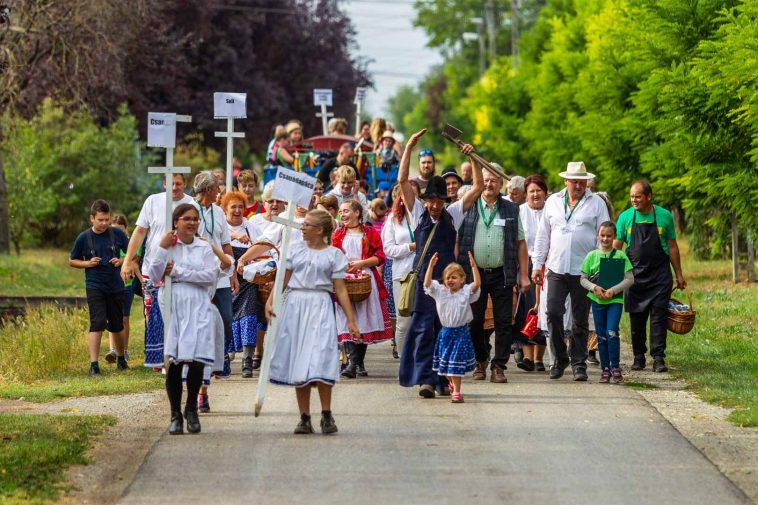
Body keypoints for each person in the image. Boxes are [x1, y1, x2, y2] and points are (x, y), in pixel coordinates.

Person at [397, 128, 484, 398]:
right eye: (431, 201)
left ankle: (445, 381)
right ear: (425, 200)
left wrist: (474, 159)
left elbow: (478, 188)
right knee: (423, 330)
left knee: (445, 330)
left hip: (451, 284)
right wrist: (409, 147)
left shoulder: (453, 213)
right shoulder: (417, 213)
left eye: (438, 201)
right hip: (426, 281)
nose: (434, 206)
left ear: (445, 200)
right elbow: (402, 182)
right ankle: (425, 380)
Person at [266, 209, 359, 434]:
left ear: (319, 230)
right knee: (300, 358)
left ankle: (326, 414)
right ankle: (304, 416)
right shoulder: (294, 250)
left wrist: (351, 320)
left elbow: (341, 289)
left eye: (307, 225)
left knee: (321, 357)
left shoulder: (333, 255)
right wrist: (270, 301)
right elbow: (283, 281)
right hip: (296, 305)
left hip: (320, 305)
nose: (302, 227)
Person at [145, 203, 231, 435]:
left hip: (199, 302)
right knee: (174, 359)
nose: (192, 222)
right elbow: (154, 275)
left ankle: (191, 408)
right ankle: (175, 414)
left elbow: (208, 275)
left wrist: (179, 272)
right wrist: (162, 251)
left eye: (195, 219)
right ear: (176, 221)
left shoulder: (202, 247)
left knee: (196, 358)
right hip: (173, 302)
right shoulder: (166, 245)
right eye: (187, 219)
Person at [532, 162, 610, 381]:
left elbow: (605, 236)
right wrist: (537, 265)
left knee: (580, 319)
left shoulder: (596, 203)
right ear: (565, 181)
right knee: (553, 313)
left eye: (582, 181)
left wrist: (604, 271)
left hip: (584, 270)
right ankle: (559, 359)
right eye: (574, 181)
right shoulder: (553, 202)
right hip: (556, 267)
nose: (578, 185)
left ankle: (579, 363)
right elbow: (542, 236)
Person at [457, 168, 530, 383]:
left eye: (494, 181)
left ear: (500, 184)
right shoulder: (468, 205)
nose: (489, 185)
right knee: (474, 320)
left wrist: (523, 275)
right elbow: (456, 239)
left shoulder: (511, 209)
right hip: (474, 274)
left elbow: (521, 243)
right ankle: (480, 360)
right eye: (485, 180)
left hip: (502, 272)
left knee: (504, 322)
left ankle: (499, 366)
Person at [121, 174, 195, 368]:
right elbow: (139, 232)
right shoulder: (152, 201)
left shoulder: (191, 204)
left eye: (179, 183)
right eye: (171, 183)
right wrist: (127, 260)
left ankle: (177, 355)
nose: (175, 187)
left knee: (179, 312)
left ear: (185, 184)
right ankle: (158, 355)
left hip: (181, 268)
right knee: (152, 313)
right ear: (164, 183)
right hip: (152, 268)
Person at [613, 181, 686, 372]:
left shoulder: (664, 216)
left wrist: (679, 274)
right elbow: (617, 246)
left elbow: (672, 246)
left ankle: (659, 357)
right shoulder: (626, 217)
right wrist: (609, 276)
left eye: (638, 196)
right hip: (634, 277)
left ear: (649, 196)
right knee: (637, 319)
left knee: (658, 318)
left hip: (660, 277)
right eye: (632, 197)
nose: (634, 200)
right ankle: (638, 357)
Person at [332, 200, 393, 378]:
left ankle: (358, 362)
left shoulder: (370, 232)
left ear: (358, 213)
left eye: (346, 211)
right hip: (344, 278)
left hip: (365, 279)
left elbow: (380, 256)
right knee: (347, 319)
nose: (342, 215)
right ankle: (351, 363)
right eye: (341, 212)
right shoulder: (338, 234)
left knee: (363, 320)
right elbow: (333, 255)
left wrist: (361, 263)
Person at [70, 200, 130, 375]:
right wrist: (88, 263)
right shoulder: (83, 237)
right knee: (97, 323)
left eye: (106, 219)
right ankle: (94, 365)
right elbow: (72, 260)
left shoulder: (118, 234)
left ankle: (121, 359)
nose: (104, 223)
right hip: (95, 286)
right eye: (100, 220)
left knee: (117, 324)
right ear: (92, 218)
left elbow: (132, 255)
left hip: (116, 285)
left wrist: (121, 261)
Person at [237, 181, 287, 369]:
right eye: (270, 201)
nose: (274, 205)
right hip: (266, 271)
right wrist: (244, 260)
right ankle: (261, 352)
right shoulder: (262, 220)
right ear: (264, 202)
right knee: (262, 312)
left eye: (279, 201)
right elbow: (263, 244)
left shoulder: (289, 219)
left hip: (292, 275)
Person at [580, 221, 635, 383]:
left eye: (608, 236)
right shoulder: (591, 256)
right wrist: (594, 287)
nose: (605, 239)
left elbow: (630, 279)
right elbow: (582, 279)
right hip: (597, 301)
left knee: (612, 332)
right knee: (601, 336)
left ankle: (615, 367)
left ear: (614, 237)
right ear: (597, 235)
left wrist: (614, 290)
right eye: (602, 235)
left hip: (615, 301)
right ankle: (605, 369)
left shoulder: (620, 256)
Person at [424, 252, 481, 403]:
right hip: (446, 333)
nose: (450, 280)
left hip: (461, 333)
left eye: (454, 277)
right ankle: (451, 383)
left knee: (455, 363)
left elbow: (477, 284)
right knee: (447, 365)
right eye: (448, 277)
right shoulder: (440, 292)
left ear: (462, 280)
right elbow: (427, 284)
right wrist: (430, 266)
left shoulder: (465, 293)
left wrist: (474, 267)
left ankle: (456, 391)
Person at [222, 190, 265, 378]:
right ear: (225, 209)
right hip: (223, 280)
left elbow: (264, 247)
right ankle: (224, 358)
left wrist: (253, 260)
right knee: (225, 320)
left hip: (247, 281)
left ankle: (247, 361)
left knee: (248, 318)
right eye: (233, 207)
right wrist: (234, 236)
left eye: (241, 207)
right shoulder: (220, 226)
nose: (238, 210)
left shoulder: (251, 227)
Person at [517, 175, 550, 371]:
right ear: (526, 194)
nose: (535, 194)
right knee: (526, 309)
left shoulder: (551, 211)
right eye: (531, 191)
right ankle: (527, 357)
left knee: (543, 308)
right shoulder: (520, 211)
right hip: (525, 263)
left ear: (545, 193)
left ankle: (539, 358)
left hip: (547, 263)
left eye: (538, 190)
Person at [382, 184, 417, 359]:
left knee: (423, 320)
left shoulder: (424, 216)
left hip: (424, 273)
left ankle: (421, 358)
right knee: (403, 320)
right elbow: (388, 250)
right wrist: (410, 247)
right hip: (402, 276)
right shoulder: (393, 220)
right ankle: (405, 359)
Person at [107, 214, 142, 365]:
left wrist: (122, 261)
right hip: (111, 284)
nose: (118, 233)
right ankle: (112, 350)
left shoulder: (130, 243)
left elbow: (134, 259)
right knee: (112, 317)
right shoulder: (108, 242)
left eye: (120, 230)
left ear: (126, 229)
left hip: (127, 285)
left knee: (124, 318)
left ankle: (125, 350)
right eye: (115, 230)